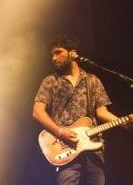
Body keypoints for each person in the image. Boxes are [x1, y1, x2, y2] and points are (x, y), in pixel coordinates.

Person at [32, 34, 132, 185]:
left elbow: (101, 112)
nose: (53, 58)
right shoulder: (50, 81)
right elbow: (37, 112)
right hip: (65, 147)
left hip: (94, 147)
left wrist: (123, 122)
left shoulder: (92, 80)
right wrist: (60, 132)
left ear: (73, 54)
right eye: (52, 54)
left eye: (58, 52)